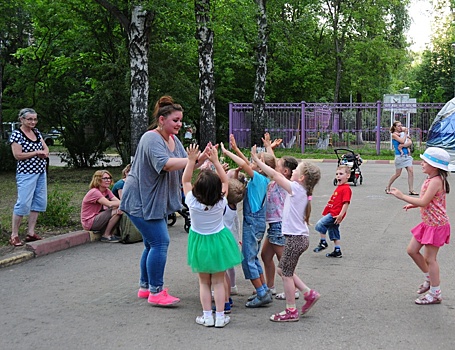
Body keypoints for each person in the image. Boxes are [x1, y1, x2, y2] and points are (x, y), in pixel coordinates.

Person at [120, 95, 207, 306]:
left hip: (152, 199)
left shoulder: (173, 139)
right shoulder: (151, 138)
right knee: (160, 242)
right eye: (175, 120)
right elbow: (166, 164)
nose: (179, 124)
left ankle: (145, 287)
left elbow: (184, 164)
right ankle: (156, 292)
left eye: (180, 121)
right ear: (161, 119)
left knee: (151, 244)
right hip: (140, 199)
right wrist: (192, 160)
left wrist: (203, 158)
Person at [251, 145, 322, 322]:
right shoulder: (302, 190)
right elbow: (276, 172)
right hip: (298, 238)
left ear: (301, 177)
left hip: (295, 239)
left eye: (296, 169)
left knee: (286, 273)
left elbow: (275, 174)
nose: (294, 171)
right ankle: (308, 293)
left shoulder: (296, 188)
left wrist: (257, 160)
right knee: (284, 270)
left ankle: (291, 310)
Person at [183, 144, 242, 328]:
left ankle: (207, 316)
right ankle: (220, 316)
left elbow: (185, 181)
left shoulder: (191, 201)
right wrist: (216, 161)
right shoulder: (221, 200)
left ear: (197, 188)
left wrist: (191, 161)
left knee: (203, 282)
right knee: (218, 281)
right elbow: (225, 182)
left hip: (199, 243)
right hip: (218, 241)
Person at [389, 147, 451, 305]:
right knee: (412, 250)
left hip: (436, 225)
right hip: (428, 223)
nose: (422, 163)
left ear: (435, 166)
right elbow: (427, 201)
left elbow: (424, 201)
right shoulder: (431, 179)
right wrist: (414, 205)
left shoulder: (437, 181)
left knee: (431, 259)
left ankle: (435, 293)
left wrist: (403, 197)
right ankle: (429, 278)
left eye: (426, 162)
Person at [220, 135, 274, 308]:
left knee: (247, 260)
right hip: (256, 223)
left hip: (253, 224)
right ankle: (263, 290)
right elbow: (246, 164)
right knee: (253, 257)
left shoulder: (258, 179)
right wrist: (236, 149)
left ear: (262, 168)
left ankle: (260, 293)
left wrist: (227, 152)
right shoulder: (261, 178)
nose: (252, 163)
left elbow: (244, 166)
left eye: (256, 162)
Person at [260, 133, 300, 300]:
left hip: (279, 226)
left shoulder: (286, 184)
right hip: (274, 226)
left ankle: (295, 290)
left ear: (285, 171)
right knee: (265, 256)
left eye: (279, 166)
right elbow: (274, 162)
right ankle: (270, 287)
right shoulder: (278, 180)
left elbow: (273, 165)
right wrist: (269, 146)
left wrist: (262, 156)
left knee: (284, 263)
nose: (275, 166)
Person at [9, 108, 49, 247]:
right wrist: (36, 153)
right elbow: (17, 155)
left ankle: (31, 232)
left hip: (40, 172)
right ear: (22, 119)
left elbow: (46, 148)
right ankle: (14, 235)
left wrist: (44, 153)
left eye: (35, 119)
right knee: (23, 203)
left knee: (39, 202)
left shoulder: (36, 132)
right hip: (26, 174)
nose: (33, 122)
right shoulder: (17, 135)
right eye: (29, 119)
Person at [313, 165, 352, 258]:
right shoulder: (340, 187)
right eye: (337, 174)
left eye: (341, 174)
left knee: (320, 224)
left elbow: (346, 203)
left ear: (348, 176)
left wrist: (340, 215)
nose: (338, 176)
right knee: (334, 230)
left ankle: (323, 242)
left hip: (335, 214)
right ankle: (337, 250)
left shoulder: (346, 188)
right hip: (333, 212)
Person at [80, 170, 122, 242]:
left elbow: (118, 202)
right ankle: (106, 235)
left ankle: (109, 234)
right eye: (105, 178)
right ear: (98, 180)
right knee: (118, 209)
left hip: (98, 218)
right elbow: (109, 204)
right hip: (89, 221)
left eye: (109, 178)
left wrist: (121, 205)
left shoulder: (106, 191)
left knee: (120, 209)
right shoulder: (95, 192)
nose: (108, 180)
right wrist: (123, 204)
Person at [386, 121, 418, 195]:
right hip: (399, 156)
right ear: (395, 127)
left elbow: (409, 142)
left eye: (401, 126)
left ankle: (411, 190)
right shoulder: (394, 135)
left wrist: (404, 144)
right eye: (398, 126)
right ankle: (388, 187)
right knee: (398, 174)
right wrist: (406, 135)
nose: (400, 127)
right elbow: (402, 141)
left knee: (411, 171)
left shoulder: (402, 134)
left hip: (406, 155)